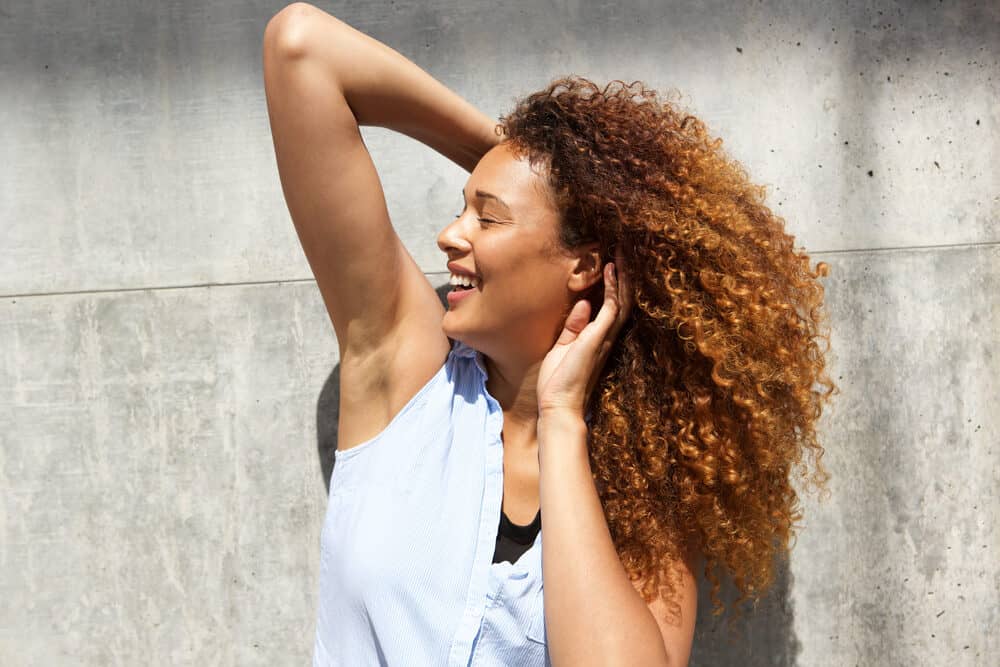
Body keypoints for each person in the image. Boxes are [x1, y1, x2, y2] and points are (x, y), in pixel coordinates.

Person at [262, 4, 837, 666]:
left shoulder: (639, 494)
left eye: (488, 218)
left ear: (583, 263)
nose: (450, 235)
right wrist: (526, 157)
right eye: (461, 210)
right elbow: (300, 48)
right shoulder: (403, 370)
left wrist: (562, 418)